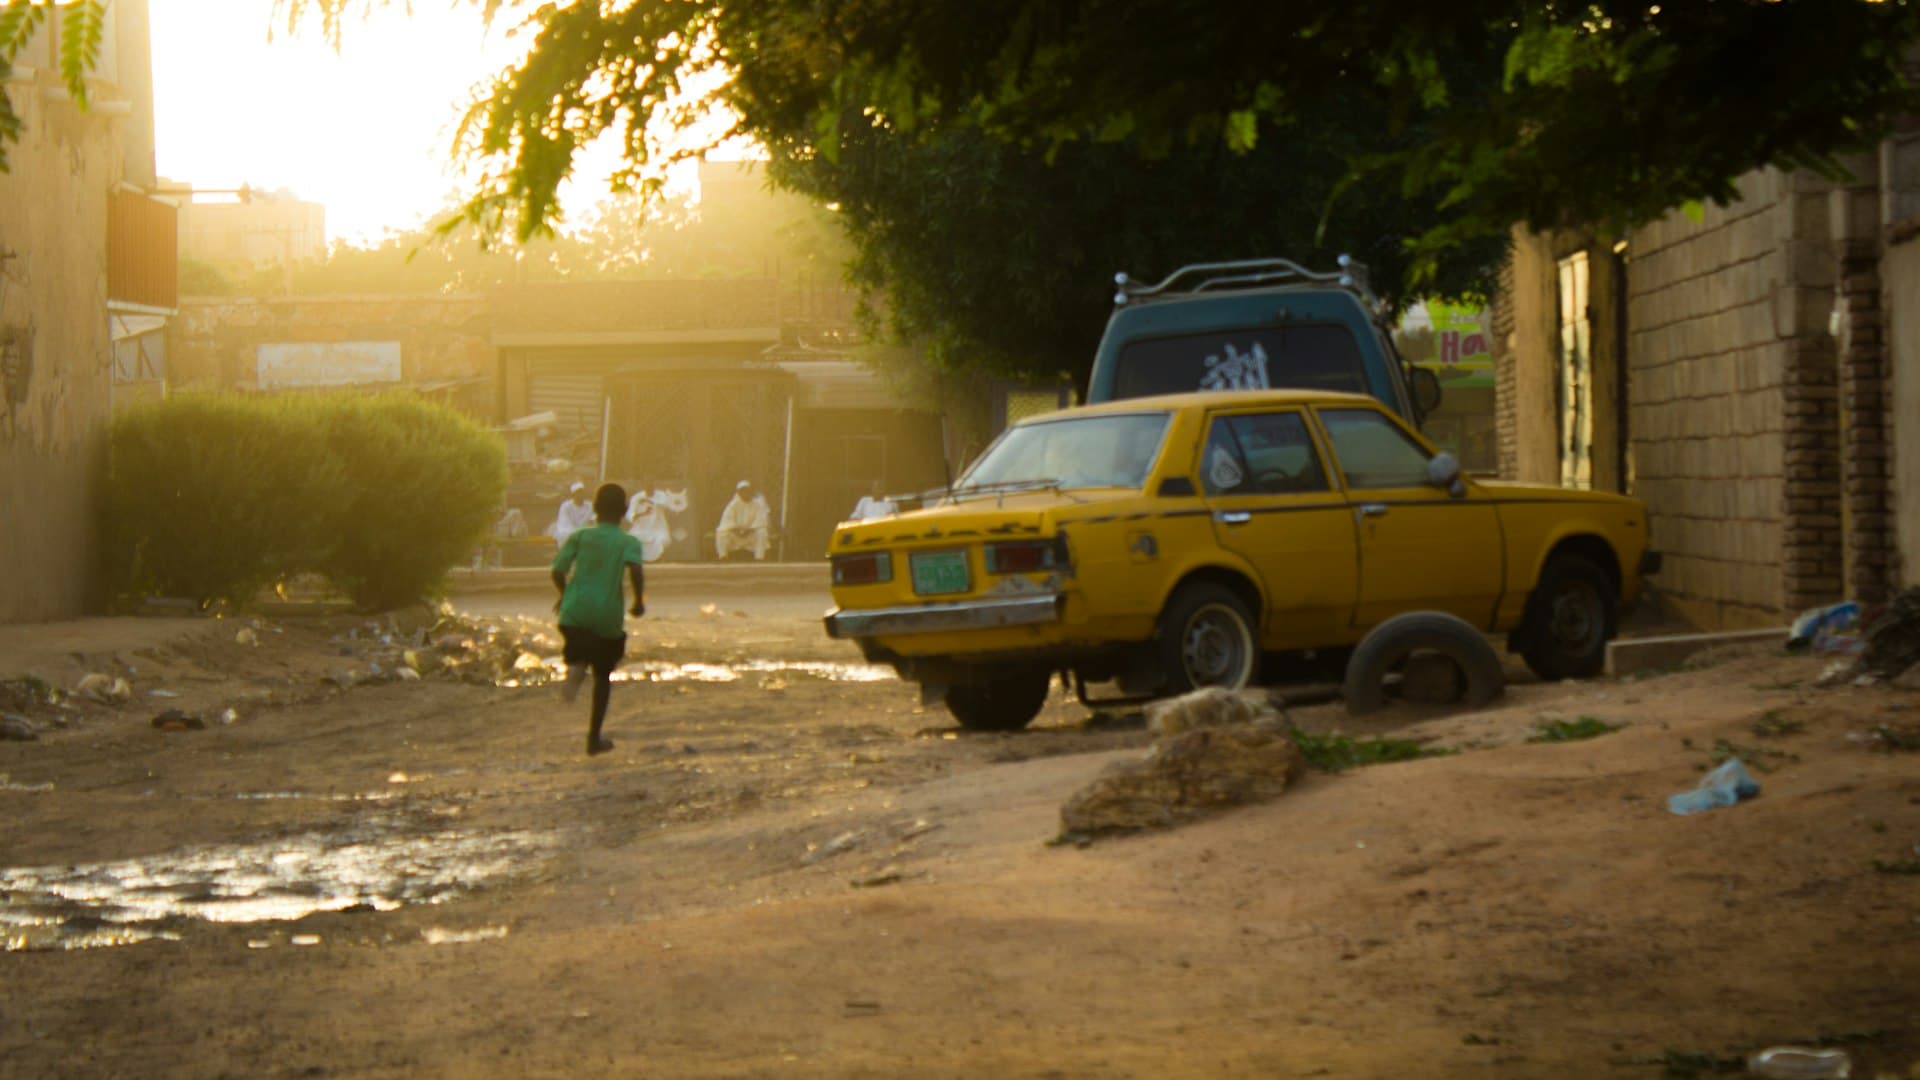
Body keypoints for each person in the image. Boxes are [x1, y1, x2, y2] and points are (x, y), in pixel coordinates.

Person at [551, 483, 645, 756]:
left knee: (578, 645)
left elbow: (557, 571)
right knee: (603, 676)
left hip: (573, 612)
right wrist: (638, 601)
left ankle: (576, 667)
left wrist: (565, 594)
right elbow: (636, 571)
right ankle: (594, 739)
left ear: (593, 508)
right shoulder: (628, 542)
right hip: (606, 617)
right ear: (625, 511)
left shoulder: (580, 536)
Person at [715, 480, 771, 560]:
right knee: (721, 533)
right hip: (736, 535)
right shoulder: (733, 505)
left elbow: (761, 521)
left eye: (747, 491)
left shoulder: (758, 504)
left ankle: (759, 559)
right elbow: (726, 521)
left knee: (762, 532)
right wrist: (736, 530)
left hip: (751, 534)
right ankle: (723, 557)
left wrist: (749, 530)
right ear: (739, 492)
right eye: (742, 491)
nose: (745, 493)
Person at [624, 482, 672, 563]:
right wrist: (642, 513)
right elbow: (630, 515)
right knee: (630, 539)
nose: (649, 491)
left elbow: (666, 505)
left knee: (662, 539)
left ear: (654, 488)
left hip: (658, 527)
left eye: (651, 488)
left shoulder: (661, 495)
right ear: (644, 488)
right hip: (640, 528)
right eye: (647, 488)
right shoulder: (636, 497)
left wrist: (650, 501)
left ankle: (659, 559)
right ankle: (635, 559)